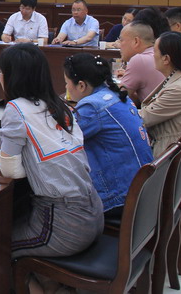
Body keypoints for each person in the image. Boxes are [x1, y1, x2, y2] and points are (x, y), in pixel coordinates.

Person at [0, 43, 103, 261]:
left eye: (0, 71)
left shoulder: (15, 109)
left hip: (63, 225)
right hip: (93, 212)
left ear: (12, 76)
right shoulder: (60, 104)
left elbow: (10, 170)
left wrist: (32, 165)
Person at [63, 54, 153, 215]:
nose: (66, 87)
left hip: (119, 197)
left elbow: (61, 139)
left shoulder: (93, 106)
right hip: (142, 188)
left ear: (81, 85)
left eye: (67, 82)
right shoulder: (116, 95)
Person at [116, 21, 165, 106]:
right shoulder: (157, 54)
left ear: (136, 41)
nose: (119, 46)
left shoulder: (139, 59)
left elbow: (118, 98)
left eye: (121, 40)